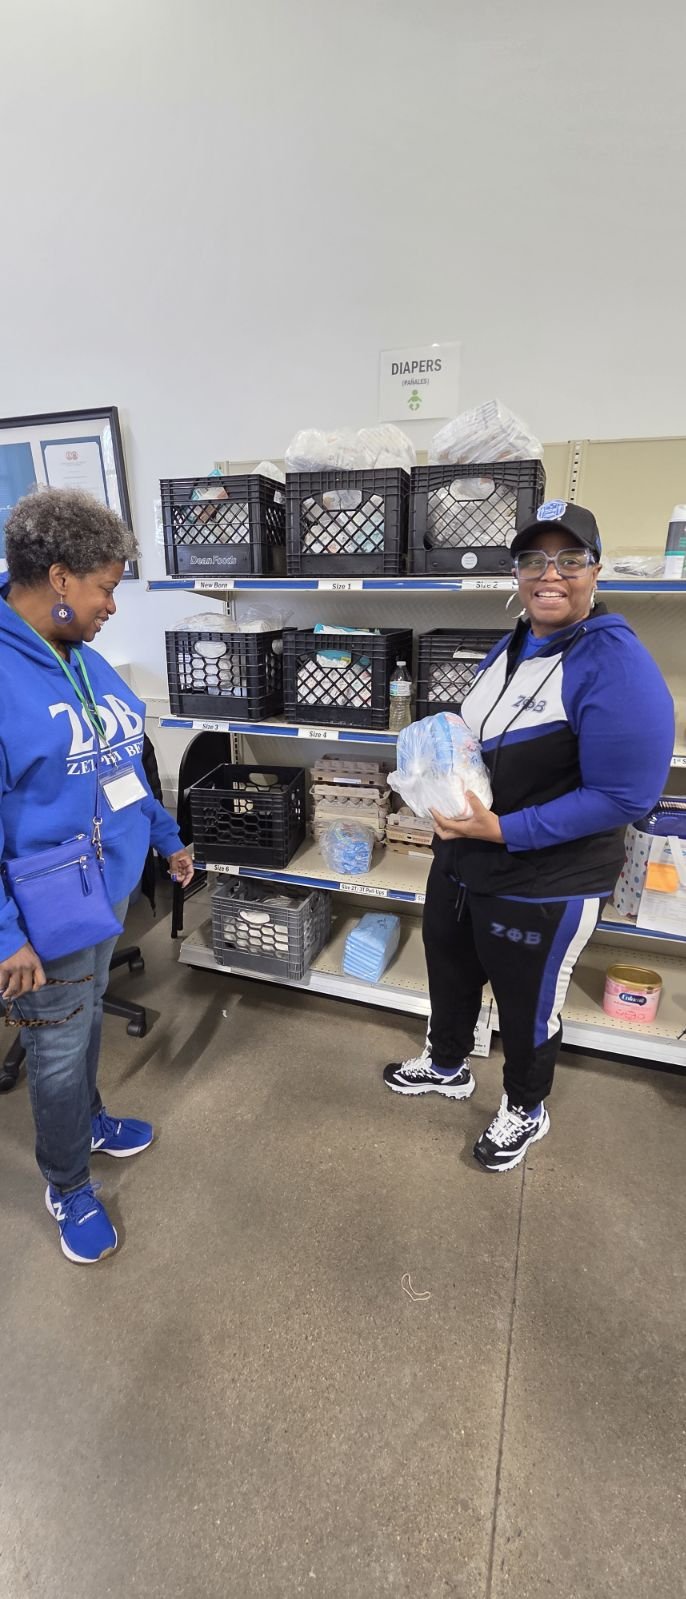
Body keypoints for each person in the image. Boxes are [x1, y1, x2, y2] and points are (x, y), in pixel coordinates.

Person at [384, 500, 674, 1171]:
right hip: (466, 855)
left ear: (596, 569)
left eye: (570, 559)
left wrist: (502, 827)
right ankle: (448, 1063)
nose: (551, 573)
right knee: (450, 968)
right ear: (516, 572)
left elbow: (626, 795)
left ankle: (525, 1105)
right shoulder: (517, 638)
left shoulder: (615, 664)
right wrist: (439, 783)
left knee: (526, 1002)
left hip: (546, 876)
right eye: (534, 560)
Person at [0, 487, 194, 1263]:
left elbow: (117, 763)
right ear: (57, 577)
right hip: (38, 915)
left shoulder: (76, 655)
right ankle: (68, 1181)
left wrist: (165, 835)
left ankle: (89, 1116)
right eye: (107, 586)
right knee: (55, 1043)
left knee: (80, 1032)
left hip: (99, 891)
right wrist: (6, 935)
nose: (115, 603)